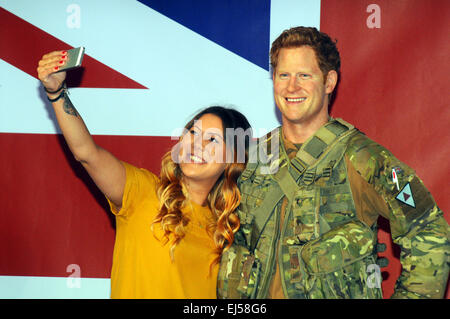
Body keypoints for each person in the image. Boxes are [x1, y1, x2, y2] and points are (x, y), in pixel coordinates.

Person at [217, 26, 449, 299]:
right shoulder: (252, 159)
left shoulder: (365, 158)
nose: (292, 87)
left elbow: (427, 228)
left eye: (304, 75)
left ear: (329, 82)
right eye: (283, 75)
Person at [37, 50, 252, 298]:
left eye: (212, 139)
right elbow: (86, 152)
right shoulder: (143, 192)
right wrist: (56, 93)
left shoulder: (228, 232)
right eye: (193, 133)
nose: (196, 144)